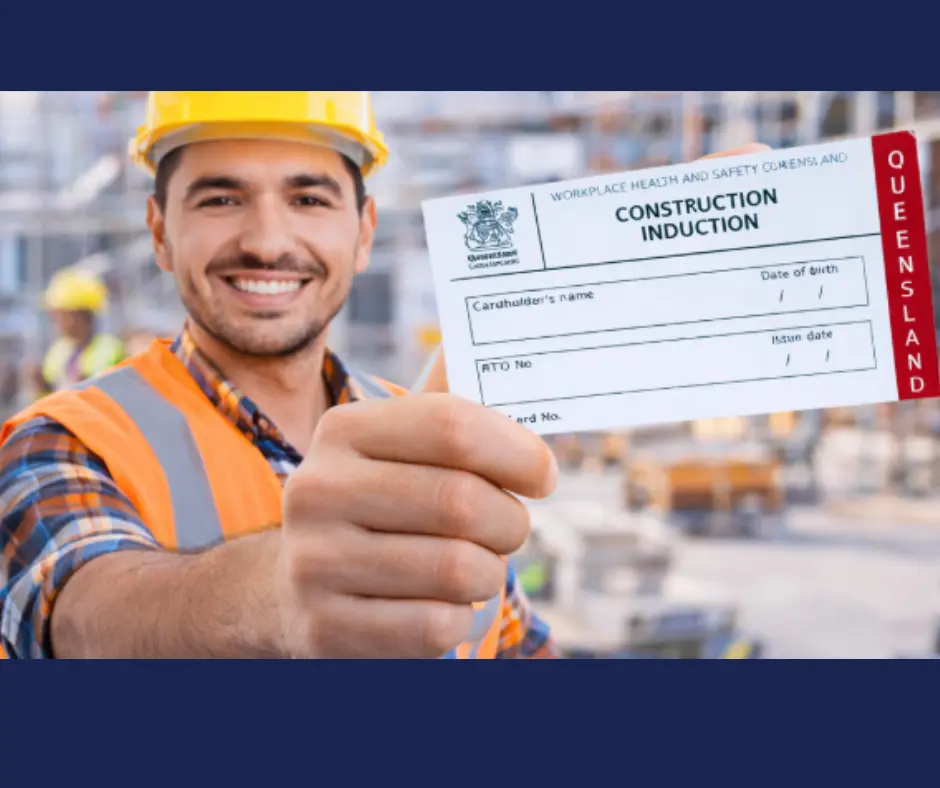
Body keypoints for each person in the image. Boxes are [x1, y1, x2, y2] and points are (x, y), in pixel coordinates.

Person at [0, 91, 765, 660]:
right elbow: (81, 614)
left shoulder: (437, 437)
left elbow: (514, 649)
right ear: (160, 231)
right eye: (222, 197)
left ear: (363, 233)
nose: (268, 240)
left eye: (308, 197)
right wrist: (275, 597)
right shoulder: (58, 444)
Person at [32, 267, 127, 396]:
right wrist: (41, 388)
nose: (53, 319)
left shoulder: (111, 349)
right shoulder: (57, 351)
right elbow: (49, 402)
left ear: (78, 314)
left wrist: (84, 388)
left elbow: (120, 396)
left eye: (58, 313)